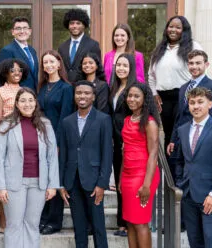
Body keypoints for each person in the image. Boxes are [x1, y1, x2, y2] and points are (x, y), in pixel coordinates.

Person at [0, 88, 60, 248]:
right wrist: (0, 187)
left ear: (35, 102)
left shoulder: (45, 124)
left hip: (39, 182)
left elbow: (52, 156)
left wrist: (53, 184)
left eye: (30, 100)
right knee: (14, 224)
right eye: (23, 100)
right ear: (16, 103)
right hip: (13, 183)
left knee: (32, 224)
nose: (27, 104)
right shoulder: (6, 124)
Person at [175, 87, 212, 248]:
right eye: (192, 103)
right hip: (188, 195)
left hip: (210, 196)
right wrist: (181, 184)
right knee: (195, 241)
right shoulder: (183, 130)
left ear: (210, 104)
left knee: (211, 239)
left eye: (200, 102)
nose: (196, 106)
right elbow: (180, 161)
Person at [59, 81, 113, 248]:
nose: (82, 96)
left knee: (98, 226)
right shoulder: (66, 122)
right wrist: (61, 183)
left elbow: (107, 153)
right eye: (79, 93)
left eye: (86, 93)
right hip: (72, 181)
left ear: (93, 96)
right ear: (74, 96)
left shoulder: (103, 119)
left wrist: (102, 184)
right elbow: (63, 155)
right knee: (79, 227)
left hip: (94, 181)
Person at [148, 16, 202, 153]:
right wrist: (154, 93)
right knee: (168, 134)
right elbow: (151, 75)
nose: (173, 30)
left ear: (184, 30)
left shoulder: (193, 46)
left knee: (180, 133)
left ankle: (180, 170)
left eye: (178, 27)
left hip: (184, 95)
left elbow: (201, 69)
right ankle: (169, 172)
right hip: (163, 98)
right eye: (171, 26)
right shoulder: (159, 49)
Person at [167, 50, 212, 175]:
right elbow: (179, 116)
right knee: (180, 176)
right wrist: (173, 139)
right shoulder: (183, 88)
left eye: (198, 63)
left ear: (206, 64)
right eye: (191, 63)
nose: (194, 67)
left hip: (201, 142)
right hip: (181, 140)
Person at [37, 50, 74, 235]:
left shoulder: (66, 88)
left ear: (59, 64)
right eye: (45, 62)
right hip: (40, 139)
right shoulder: (42, 87)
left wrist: (57, 144)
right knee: (43, 179)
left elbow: (65, 118)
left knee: (54, 179)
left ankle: (54, 221)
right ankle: (43, 218)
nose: (49, 65)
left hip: (57, 141)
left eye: (52, 61)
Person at [120, 83, 161, 248]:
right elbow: (125, 150)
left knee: (140, 223)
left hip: (143, 175)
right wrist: (120, 178)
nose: (132, 99)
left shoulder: (149, 122)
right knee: (129, 222)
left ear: (145, 99)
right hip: (127, 175)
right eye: (129, 96)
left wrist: (147, 184)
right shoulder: (127, 119)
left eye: (136, 96)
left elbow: (153, 154)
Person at [0, 58, 28, 233]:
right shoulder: (0, 92)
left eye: (19, 70)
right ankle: (3, 220)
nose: (16, 73)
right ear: (5, 72)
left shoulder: (25, 91)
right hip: (6, 138)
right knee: (2, 179)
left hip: (24, 139)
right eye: (13, 70)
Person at [108, 53, 138, 237]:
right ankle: (122, 222)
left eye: (125, 65)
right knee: (120, 184)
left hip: (129, 141)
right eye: (118, 65)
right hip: (115, 141)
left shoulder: (134, 88)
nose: (121, 68)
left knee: (129, 184)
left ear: (131, 68)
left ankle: (130, 222)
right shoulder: (114, 88)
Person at [58, 9, 102, 83]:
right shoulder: (62, 47)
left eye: (78, 23)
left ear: (84, 25)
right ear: (68, 25)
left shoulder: (93, 45)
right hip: (65, 88)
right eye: (72, 23)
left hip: (85, 89)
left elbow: (98, 70)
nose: (75, 26)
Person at [0, 17, 38, 92]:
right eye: (18, 28)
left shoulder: (32, 51)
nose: (22, 31)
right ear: (13, 32)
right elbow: (2, 77)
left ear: (30, 31)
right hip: (16, 97)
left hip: (32, 96)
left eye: (25, 28)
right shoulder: (7, 51)